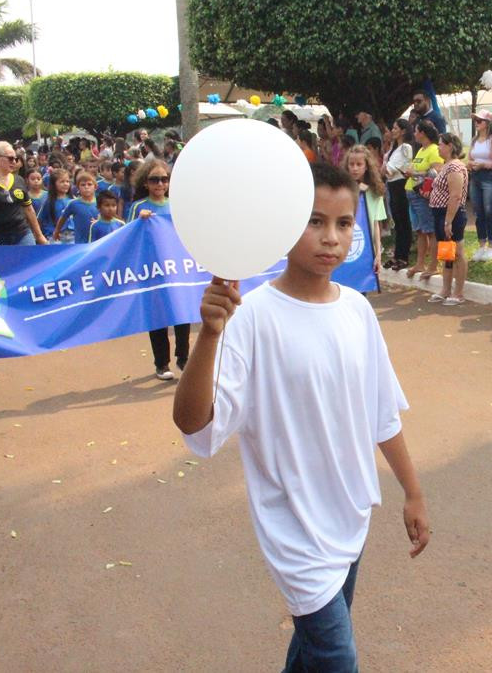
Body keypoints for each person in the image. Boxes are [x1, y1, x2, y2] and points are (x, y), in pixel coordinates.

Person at [173, 162, 430, 672]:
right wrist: (209, 334)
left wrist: (414, 492)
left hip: (350, 512)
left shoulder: (357, 310)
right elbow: (192, 422)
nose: (330, 238)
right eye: (314, 221)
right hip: (293, 528)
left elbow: (382, 414)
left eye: (343, 223)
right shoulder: (250, 317)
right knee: (337, 656)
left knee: (313, 651)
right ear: (282, 222)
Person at [129, 159, 189, 381]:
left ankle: (183, 357)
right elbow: (128, 236)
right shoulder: (138, 207)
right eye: (155, 179)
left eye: (164, 179)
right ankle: (161, 363)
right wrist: (140, 220)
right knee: (158, 316)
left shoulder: (176, 204)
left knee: (183, 312)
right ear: (145, 183)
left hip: (176, 267)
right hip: (151, 268)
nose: (160, 184)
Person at [427, 133, 469, 305]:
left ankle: (458, 293)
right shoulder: (447, 166)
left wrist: (448, 221)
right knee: (446, 252)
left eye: (441, 144)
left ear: (450, 146)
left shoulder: (454, 168)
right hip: (440, 214)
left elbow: (456, 196)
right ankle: (445, 289)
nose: (438, 147)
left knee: (457, 252)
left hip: (451, 214)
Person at [403, 120, 443, 280]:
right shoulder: (421, 150)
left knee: (430, 230)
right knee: (420, 230)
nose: (414, 134)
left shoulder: (434, 150)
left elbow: (435, 173)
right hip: (412, 193)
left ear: (423, 133)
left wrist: (416, 174)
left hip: (422, 195)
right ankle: (420, 263)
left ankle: (433, 265)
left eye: (416, 131)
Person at [466, 109, 492, 261]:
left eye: (480, 121)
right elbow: (470, 157)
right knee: (478, 212)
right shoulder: (474, 141)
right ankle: (482, 244)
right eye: (476, 120)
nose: (477, 123)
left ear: (487, 124)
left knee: (490, 212)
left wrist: (484, 165)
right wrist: (471, 165)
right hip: (475, 177)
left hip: (490, 177)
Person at [342, 145, 386, 274]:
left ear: (366, 166)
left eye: (359, 164)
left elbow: (376, 224)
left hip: (367, 249)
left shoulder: (375, 192)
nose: (355, 168)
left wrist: (378, 253)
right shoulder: (343, 190)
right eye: (351, 164)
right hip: (347, 249)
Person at [383, 119, 414, 271]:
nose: (392, 130)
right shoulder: (394, 148)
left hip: (400, 185)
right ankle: (397, 255)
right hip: (392, 185)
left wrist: (385, 169)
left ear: (403, 131)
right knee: (397, 221)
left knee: (403, 221)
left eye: (395, 128)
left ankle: (403, 256)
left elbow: (390, 169)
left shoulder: (405, 148)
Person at [53, 172, 99, 244]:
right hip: (80, 242)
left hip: (98, 241)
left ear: (95, 187)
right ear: (78, 188)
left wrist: (99, 222)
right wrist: (57, 231)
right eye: (83, 185)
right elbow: (63, 217)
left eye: (89, 184)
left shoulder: (100, 203)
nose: (86, 187)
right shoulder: (73, 204)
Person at [37, 168, 72, 242]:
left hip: (72, 235)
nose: (66, 184)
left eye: (67, 181)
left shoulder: (72, 200)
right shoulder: (48, 201)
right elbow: (40, 220)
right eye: (62, 182)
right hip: (55, 236)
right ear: (54, 184)